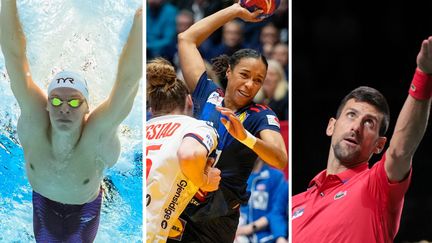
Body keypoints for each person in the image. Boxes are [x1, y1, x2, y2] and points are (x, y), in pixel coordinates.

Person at [0, 1, 142, 242]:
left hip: (84, 209)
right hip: (43, 202)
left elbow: (128, 80)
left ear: (88, 107)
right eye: (56, 101)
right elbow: (14, 55)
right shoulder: (35, 121)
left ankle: (108, 193)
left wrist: (141, 19)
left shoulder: (98, 132)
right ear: (46, 104)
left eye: (75, 103)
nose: (64, 109)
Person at [292, 37, 432, 242]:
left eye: (369, 123)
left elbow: (401, 150)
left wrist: (424, 75)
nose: (356, 127)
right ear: (331, 126)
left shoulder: (376, 187)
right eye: (351, 115)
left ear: (379, 145)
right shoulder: (294, 204)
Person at [168, 3, 288, 242]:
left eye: (258, 80)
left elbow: (280, 158)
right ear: (229, 72)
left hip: (217, 219)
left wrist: (246, 137)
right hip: (181, 204)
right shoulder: (208, 94)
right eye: (244, 75)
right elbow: (186, 39)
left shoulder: (261, 115)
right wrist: (236, 10)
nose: (250, 85)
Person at [146, 58, 221, 242]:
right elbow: (189, 154)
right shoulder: (196, 127)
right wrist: (203, 181)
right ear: (189, 101)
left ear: (152, 108)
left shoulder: (142, 130)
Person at [235, 158, 288, 243]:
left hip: (265, 235)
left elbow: (276, 212)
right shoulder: (238, 177)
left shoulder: (275, 176)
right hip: (238, 233)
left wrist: (249, 229)